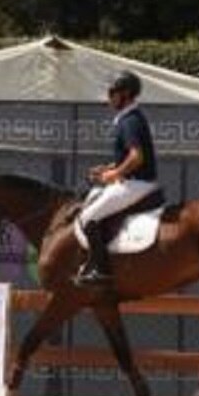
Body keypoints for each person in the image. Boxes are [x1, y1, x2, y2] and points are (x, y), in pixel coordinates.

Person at [75, 69, 161, 287]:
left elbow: (137, 156)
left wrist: (115, 173)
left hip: (136, 184)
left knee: (88, 218)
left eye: (112, 92)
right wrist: (108, 167)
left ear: (125, 94)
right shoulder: (129, 118)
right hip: (133, 180)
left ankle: (101, 269)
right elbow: (128, 156)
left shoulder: (130, 121)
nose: (108, 96)